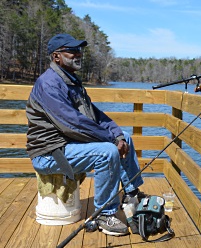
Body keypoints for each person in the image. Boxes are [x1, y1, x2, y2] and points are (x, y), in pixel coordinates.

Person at [26, 33, 144, 236]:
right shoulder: (49, 84)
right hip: (49, 153)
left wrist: (117, 135)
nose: (78, 54)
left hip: (68, 144)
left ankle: (132, 194)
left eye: (79, 50)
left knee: (126, 136)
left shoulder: (71, 81)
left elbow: (95, 115)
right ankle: (104, 214)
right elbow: (73, 124)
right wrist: (110, 141)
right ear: (56, 57)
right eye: (72, 51)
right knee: (107, 151)